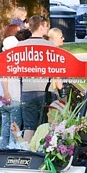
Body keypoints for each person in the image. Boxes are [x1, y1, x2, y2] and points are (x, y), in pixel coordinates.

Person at [20, 15, 54, 143]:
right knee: (46, 125)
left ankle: (26, 152)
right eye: (46, 26)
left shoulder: (20, 45)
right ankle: (45, 152)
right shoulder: (50, 46)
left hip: (27, 88)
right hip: (45, 89)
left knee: (29, 125)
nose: (47, 28)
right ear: (40, 27)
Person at [0, 23, 23, 148]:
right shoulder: (9, 60)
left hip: (1, 98)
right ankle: (13, 147)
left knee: (5, 125)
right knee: (14, 126)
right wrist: (7, 92)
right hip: (12, 96)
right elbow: (4, 77)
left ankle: (2, 146)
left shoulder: (1, 58)